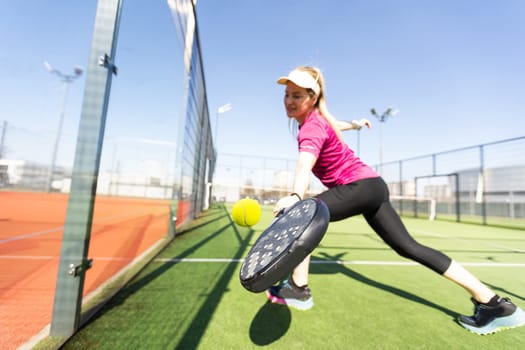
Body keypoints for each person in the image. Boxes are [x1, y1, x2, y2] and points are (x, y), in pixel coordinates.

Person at [266, 65, 525, 335]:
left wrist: (296, 196)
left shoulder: (311, 128)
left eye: (297, 95)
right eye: (287, 94)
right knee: (409, 246)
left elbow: (304, 165)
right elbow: (336, 123)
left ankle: (299, 289)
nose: (289, 101)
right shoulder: (321, 120)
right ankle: (493, 303)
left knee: (303, 216)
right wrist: (354, 124)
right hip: (374, 187)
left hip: (358, 186)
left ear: (312, 98)